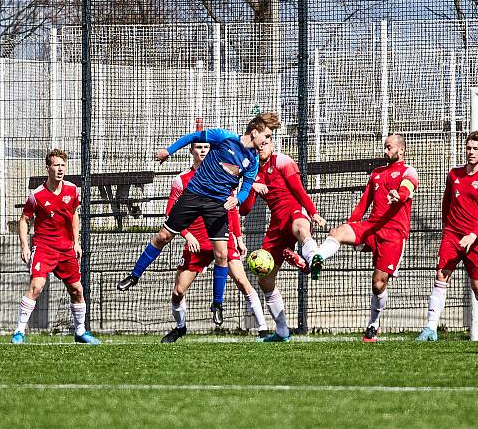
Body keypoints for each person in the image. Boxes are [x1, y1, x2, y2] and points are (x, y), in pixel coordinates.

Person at [116, 112, 280, 326]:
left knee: (222, 255)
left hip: (217, 205)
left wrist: (237, 200)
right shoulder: (224, 137)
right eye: (266, 136)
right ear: (255, 132)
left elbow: (246, 187)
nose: (267, 141)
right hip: (194, 195)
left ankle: (217, 304)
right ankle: (134, 275)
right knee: (163, 236)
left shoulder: (253, 161)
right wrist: (169, 151)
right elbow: (193, 137)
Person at [308, 134, 418, 342]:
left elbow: (407, 188)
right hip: (371, 227)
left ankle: (373, 324)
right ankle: (316, 257)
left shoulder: (408, 171)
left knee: (378, 285)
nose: (385, 151)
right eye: (385, 147)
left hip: (393, 234)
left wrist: (399, 195)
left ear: (401, 150)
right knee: (338, 232)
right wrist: (351, 223)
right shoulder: (376, 174)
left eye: (389, 147)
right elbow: (363, 204)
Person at [160, 140, 270, 343]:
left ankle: (263, 330)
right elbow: (170, 213)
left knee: (242, 281)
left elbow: (232, 208)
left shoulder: (224, 172)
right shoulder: (181, 180)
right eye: (198, 147)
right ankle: (180, 328)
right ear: (191, 150)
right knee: (178, 291)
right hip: (197, 242)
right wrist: (187, 235)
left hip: (222, 239)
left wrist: (238, 237)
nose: (203, 150)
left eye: (206, 147)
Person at [239, 135, 327, 342]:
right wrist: (250, 187)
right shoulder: (251, 171)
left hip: (294, 211)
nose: (261, 147)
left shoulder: (283, 161)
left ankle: (313, 258)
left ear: (272, 144)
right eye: (258, 145)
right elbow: (244, 209)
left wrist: (312, 212)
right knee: (265, 281)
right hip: (276, 224)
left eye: (265, 143)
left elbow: (299, 190)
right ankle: (281, 331)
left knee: (301, 227)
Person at [416, 131, 478, 341]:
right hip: (452, 234)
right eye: (468, 148)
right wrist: (447, 226)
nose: (471, 152)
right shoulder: (454, 174)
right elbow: (446, 202)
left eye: (475, 149)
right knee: (441, 275)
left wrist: (473, 235)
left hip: (476, 239)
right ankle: (431, 328)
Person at [12, 149, 100, 345]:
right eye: (56, 165)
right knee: (37, 286)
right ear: (48, 168)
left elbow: (74, 214)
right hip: (44, 247)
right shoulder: (36, 195)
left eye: (63, 165)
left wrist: (76, 242)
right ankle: (19, 331)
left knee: (77, 290)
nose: (60, 169)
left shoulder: (72, 190)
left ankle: (80, 332)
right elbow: (24, 220)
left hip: (66, 249)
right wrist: (25, 246)